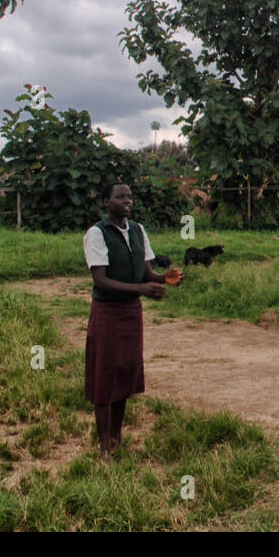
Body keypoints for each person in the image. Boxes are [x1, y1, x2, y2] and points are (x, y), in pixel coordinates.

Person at [83, 181, 179, 460]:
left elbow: (145, 273)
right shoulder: (97, 233)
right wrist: (141, 290)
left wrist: (163, 279)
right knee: (104, 377)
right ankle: (104, 449)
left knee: (124, 373)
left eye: (129, 197)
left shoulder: (137, 230)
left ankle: (116, 438)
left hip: (130, 313)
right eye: (120, 196)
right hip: (107, 313)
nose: (127, 201)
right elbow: (100, 280)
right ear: (106, 202)